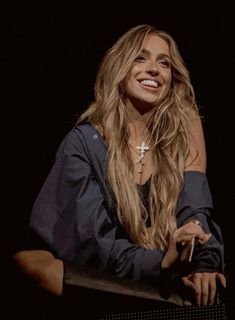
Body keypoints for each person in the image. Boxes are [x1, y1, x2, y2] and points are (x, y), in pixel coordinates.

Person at [13, 24, 226, 306]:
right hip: (114, 274)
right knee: (32, 263)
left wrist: (204, 264)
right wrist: (162, 261)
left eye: (164, 63)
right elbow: (96, 247)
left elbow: (197, 211)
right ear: (119, 68)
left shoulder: (179, 136)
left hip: (170, 271)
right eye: (141, 58)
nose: (154, 69)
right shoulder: (83, 142)